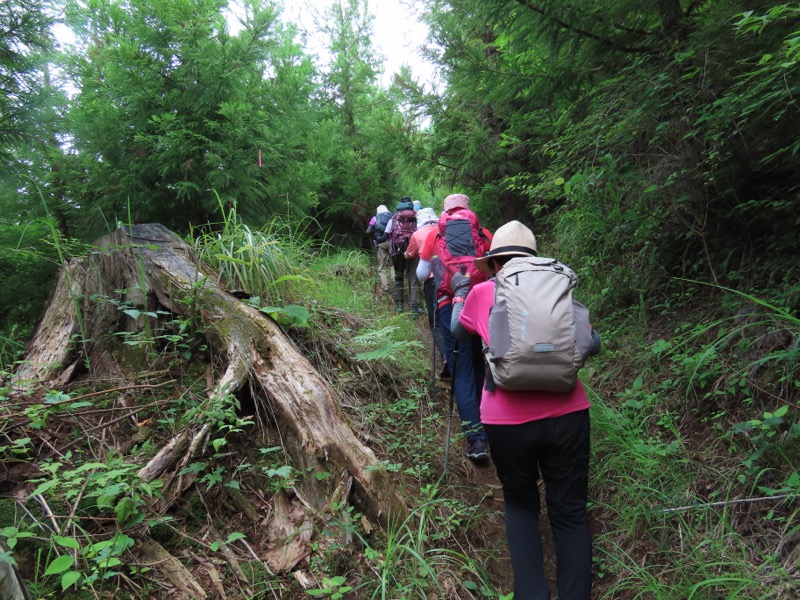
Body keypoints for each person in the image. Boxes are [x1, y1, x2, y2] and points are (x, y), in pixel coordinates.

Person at [451, 220, 594, 600]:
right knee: (570, 512)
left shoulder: (485, 291)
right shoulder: (558, 284)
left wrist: (463, 293)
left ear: (496, 262)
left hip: (505, 419)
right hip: (568, 411)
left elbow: (458, 331)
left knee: (520, 504)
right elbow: (587, 341)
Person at [416, 193, 492, 461]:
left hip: (450, 304)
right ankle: (491, 423)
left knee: (461, 369)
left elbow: (421, 275)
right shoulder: (482, 233)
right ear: (468, 209)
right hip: (481, 302)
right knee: (481, 364)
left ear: (445, 212)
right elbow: (496, 268)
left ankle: (476, 439)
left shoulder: (435, 235)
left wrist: (441, 269)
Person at [405, 207, 448, 373]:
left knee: (435, 321)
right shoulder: (443, 230)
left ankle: (446, 357)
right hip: (452, 279)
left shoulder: (417, 234)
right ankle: (458, 354)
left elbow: (411, 256)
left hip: (432, 281)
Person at [384, 197, 421, 313]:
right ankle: (414, 307)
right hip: (412, 249)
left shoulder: (393, 218)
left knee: (398, 276)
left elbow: (387, 233)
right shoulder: (416, 218)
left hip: (397, 250)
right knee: (413, 277)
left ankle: (399, 305)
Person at [364, 205, 394, 296]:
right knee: (393, 265)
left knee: (382, 267)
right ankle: (395, 284)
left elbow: (368, 231)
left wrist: (375, 237)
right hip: (392, 243)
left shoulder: (375, 218)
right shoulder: (392, 217)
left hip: (381, 243)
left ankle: (385, 288)